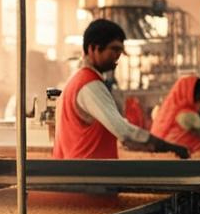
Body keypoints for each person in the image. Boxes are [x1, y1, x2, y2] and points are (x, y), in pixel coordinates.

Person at [52, 20, 189, 159]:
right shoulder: (89, 85)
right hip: (88, 172)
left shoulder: (77, 81)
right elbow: (123, 130)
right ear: (92, 48)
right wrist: (168, 147)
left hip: (79, 170)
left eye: (120, 50)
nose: (118, 55)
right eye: (114, 49)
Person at [150, 75, 200, 158]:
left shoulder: (166, 112)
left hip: (161, 159)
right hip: (180, 162)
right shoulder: (187, 115)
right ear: (193, 95)